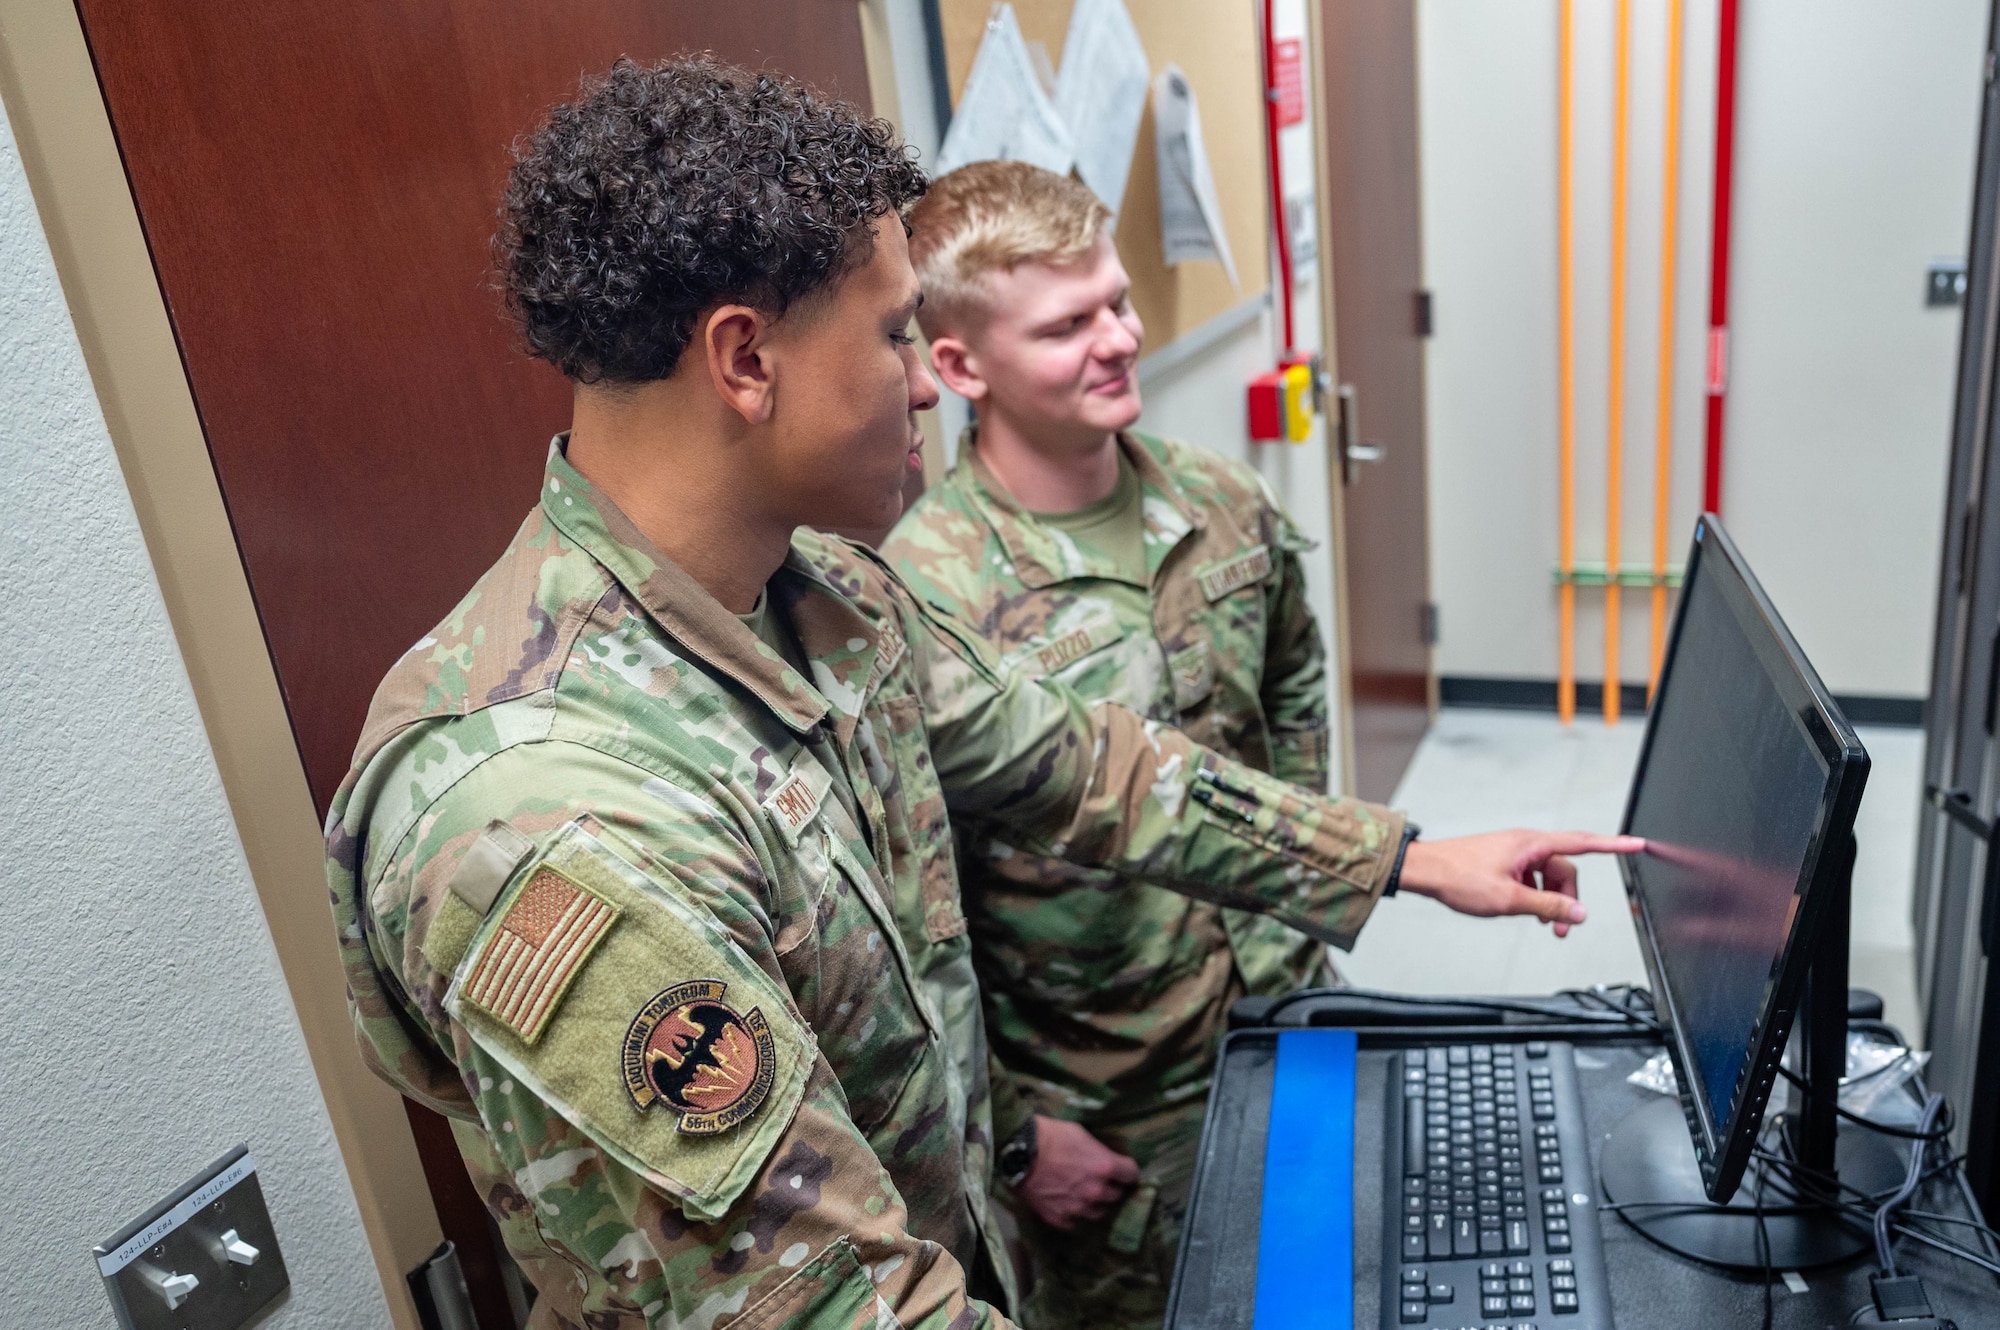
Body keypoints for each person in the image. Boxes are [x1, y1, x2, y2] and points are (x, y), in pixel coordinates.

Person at [325, 57, 1640, 1330]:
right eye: (897, 333)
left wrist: (1409, 856)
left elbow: (1085, 769)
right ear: (744, 359)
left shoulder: (820, 589)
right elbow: (830, 1299)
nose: (923, 379)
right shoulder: (546, 818)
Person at [880, 159, 1370, 1329]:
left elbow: (1291, 691)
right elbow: (907, 923)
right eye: (1066, 324)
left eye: (1116, 300)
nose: (1118, 337)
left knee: (1328, 1289)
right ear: (958, 367)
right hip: (1102, 1104)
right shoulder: (919, 597)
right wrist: (1010, 1135)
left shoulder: (1219, 502)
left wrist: (1299, 898)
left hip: (1287, 1012)